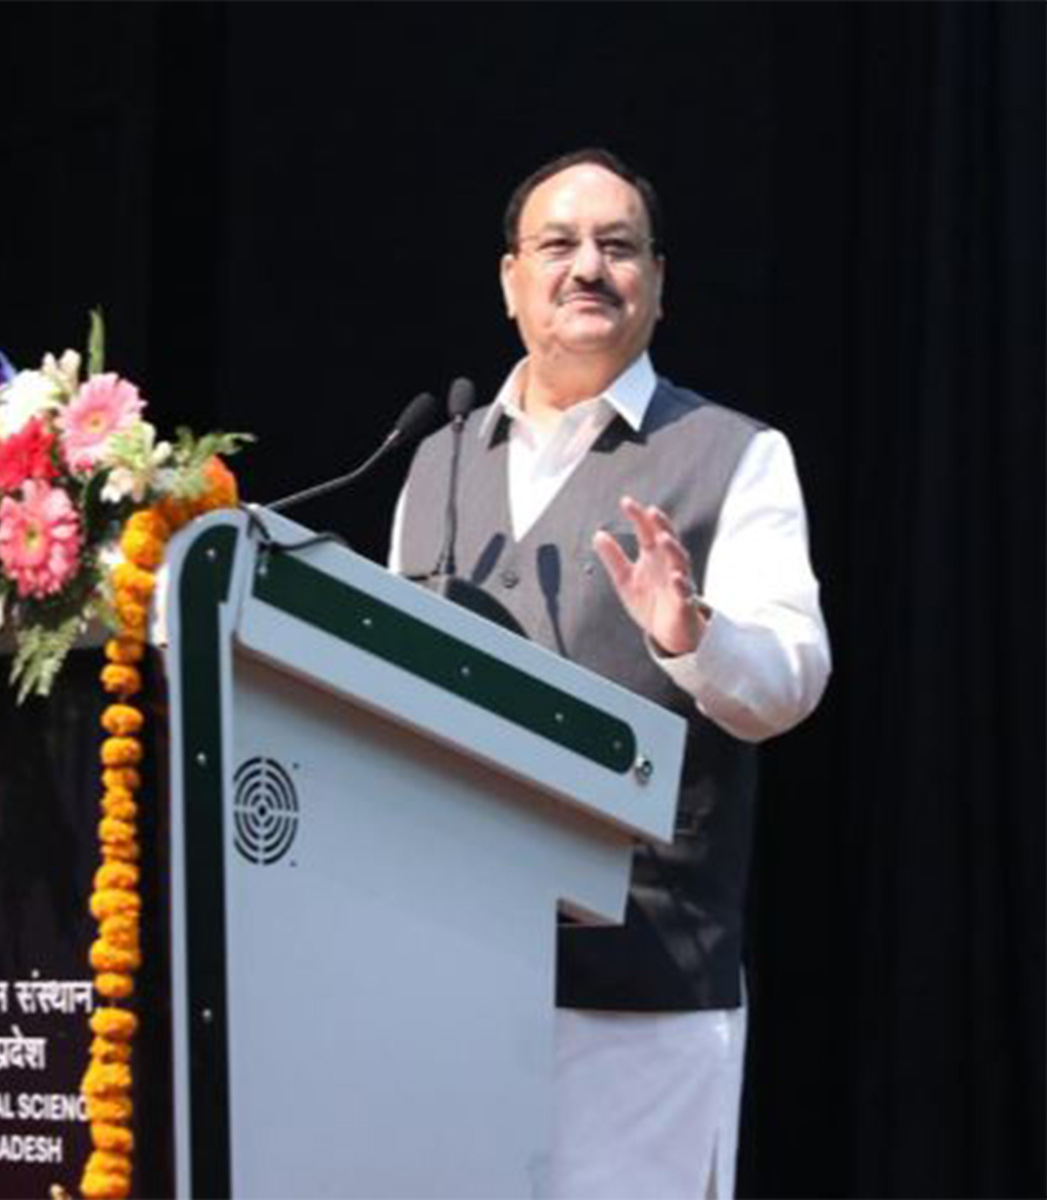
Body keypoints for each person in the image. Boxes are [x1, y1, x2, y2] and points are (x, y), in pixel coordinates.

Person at [390, 148, 832, 1199]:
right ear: (511, 281)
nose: (586, 267)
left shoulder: (736, 455)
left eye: (617, 246)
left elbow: (789, 683)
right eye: (557, 244)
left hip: (643, 997)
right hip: (447, 975)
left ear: (657, 284)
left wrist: (692, 637)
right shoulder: (435, 459)